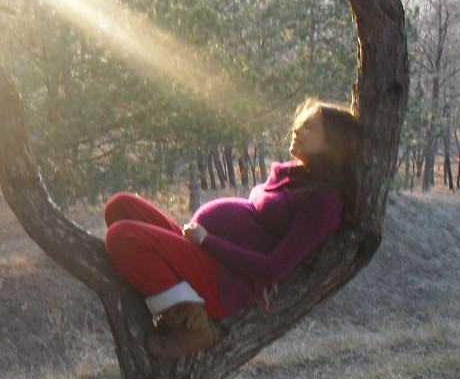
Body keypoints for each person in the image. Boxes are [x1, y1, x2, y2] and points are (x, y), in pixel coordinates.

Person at [104, 98, 361, 360]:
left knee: (121, 236)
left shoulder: (324, 201)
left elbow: (274, 266)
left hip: (221, 280)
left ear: (333, 142)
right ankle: (174, 298)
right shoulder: (294, 176)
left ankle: (190, 322)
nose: (297, 129)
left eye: (309, 127)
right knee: (120, 206)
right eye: (300, 123)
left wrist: (207, 242)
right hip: (207, 255)